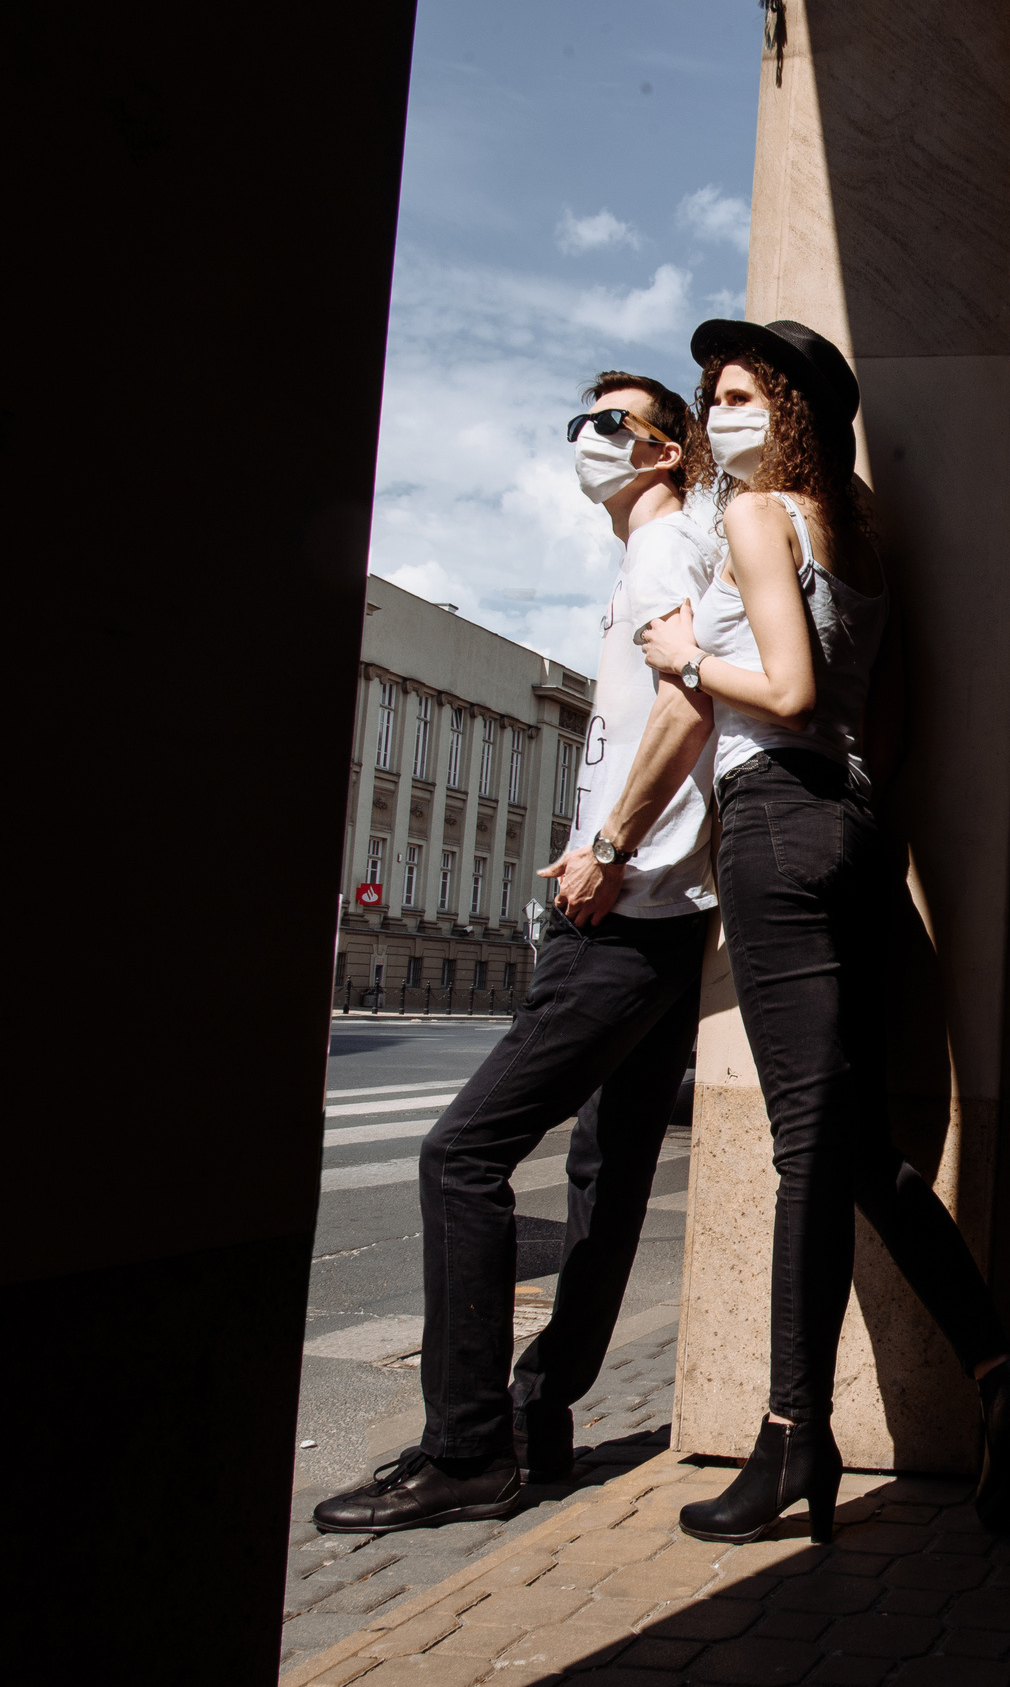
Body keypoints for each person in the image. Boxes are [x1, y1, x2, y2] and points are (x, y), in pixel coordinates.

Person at [633, 318, 1010, 1542]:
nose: (722, 410)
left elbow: (795, 695)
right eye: (712, 392)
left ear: (796, 409)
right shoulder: (861, 534)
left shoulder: (759, 521)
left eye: (742, 392)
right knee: (861, 1153)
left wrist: (685, 661)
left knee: (808, 1146)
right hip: (859, 838)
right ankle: (997, 1370)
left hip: (774, 823)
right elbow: (887, 725)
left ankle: (791, 1435)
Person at [313, 373, 723, 1535]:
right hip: (667, 911)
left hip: (626, 912)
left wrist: (603, 844)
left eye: (609, 425)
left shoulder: (660, 551)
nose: (583, 442)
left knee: (461, 1155)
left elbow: (687, 705)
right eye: (576, 422)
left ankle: (465, 1447)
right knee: (608, 1172)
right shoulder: (673, 547)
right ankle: (539, 1418)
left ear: (661, 452)